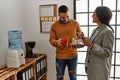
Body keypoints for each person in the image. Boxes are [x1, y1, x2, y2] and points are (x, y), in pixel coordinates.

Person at [49, 5, 83, 80]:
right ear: (58, 15)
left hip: (73, 55)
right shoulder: (54, 26)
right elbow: (51, 39)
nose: (66, 19)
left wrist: (80, 35)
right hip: (60, 56)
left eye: (67, 16)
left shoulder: (75, 23)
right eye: (63, 17)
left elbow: (80, 35)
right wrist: (56, 42)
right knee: (59, 77)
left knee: (73, 77)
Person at [84, 6, 114, 80]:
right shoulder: (95, 30)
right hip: (92, 69)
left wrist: (91, 45)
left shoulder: (108, 31)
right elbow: (91, 44)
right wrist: (83, 38)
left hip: (100, 71)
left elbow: (107, 52)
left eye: (94, 14)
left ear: (100, 16)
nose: (92, 16)